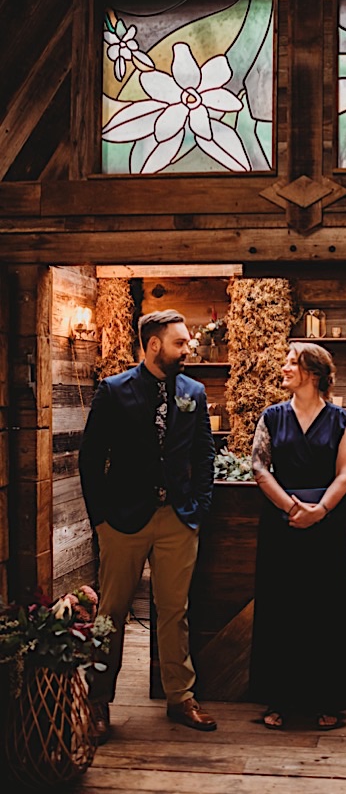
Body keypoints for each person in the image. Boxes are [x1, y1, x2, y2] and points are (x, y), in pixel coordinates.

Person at [78, 309, 217, 744]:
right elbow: (89, 459)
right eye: (180, 342)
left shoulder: (194, 391)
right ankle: (99, 701)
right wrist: (100, 520)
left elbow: (204, 454)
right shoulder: (114, 390)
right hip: (122, 522)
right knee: (111, 613)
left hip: (178, 519)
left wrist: (199, 507)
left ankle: (181, 698)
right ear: (154, 344)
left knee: (175, 612)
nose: (188, 348)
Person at [249, 342, 346, 731]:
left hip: (325, 527)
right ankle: (278, 699)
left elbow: (345, 472)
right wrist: (292, 509)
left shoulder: (340, 419)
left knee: (323, 611)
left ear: (313, 373)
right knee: (281, 610)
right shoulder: (272, 417)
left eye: (292, 363)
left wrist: (320, 511)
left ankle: (324, 700)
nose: (284, 367)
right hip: (282, 526)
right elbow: (259, 466)